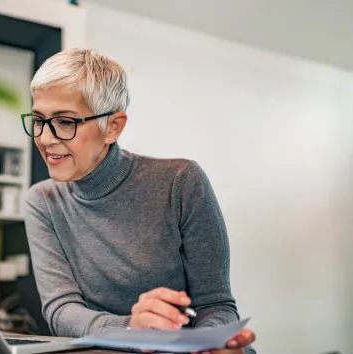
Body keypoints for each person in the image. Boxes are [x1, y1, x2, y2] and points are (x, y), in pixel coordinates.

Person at [21, 48, 257, 354]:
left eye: (65, 122)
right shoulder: (43, 201)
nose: (45, 138)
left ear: (114, 127)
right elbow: (61, 311)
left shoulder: (180, 181)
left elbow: (216, 305)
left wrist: (209, 344)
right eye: (38, 119)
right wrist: (132, 328)